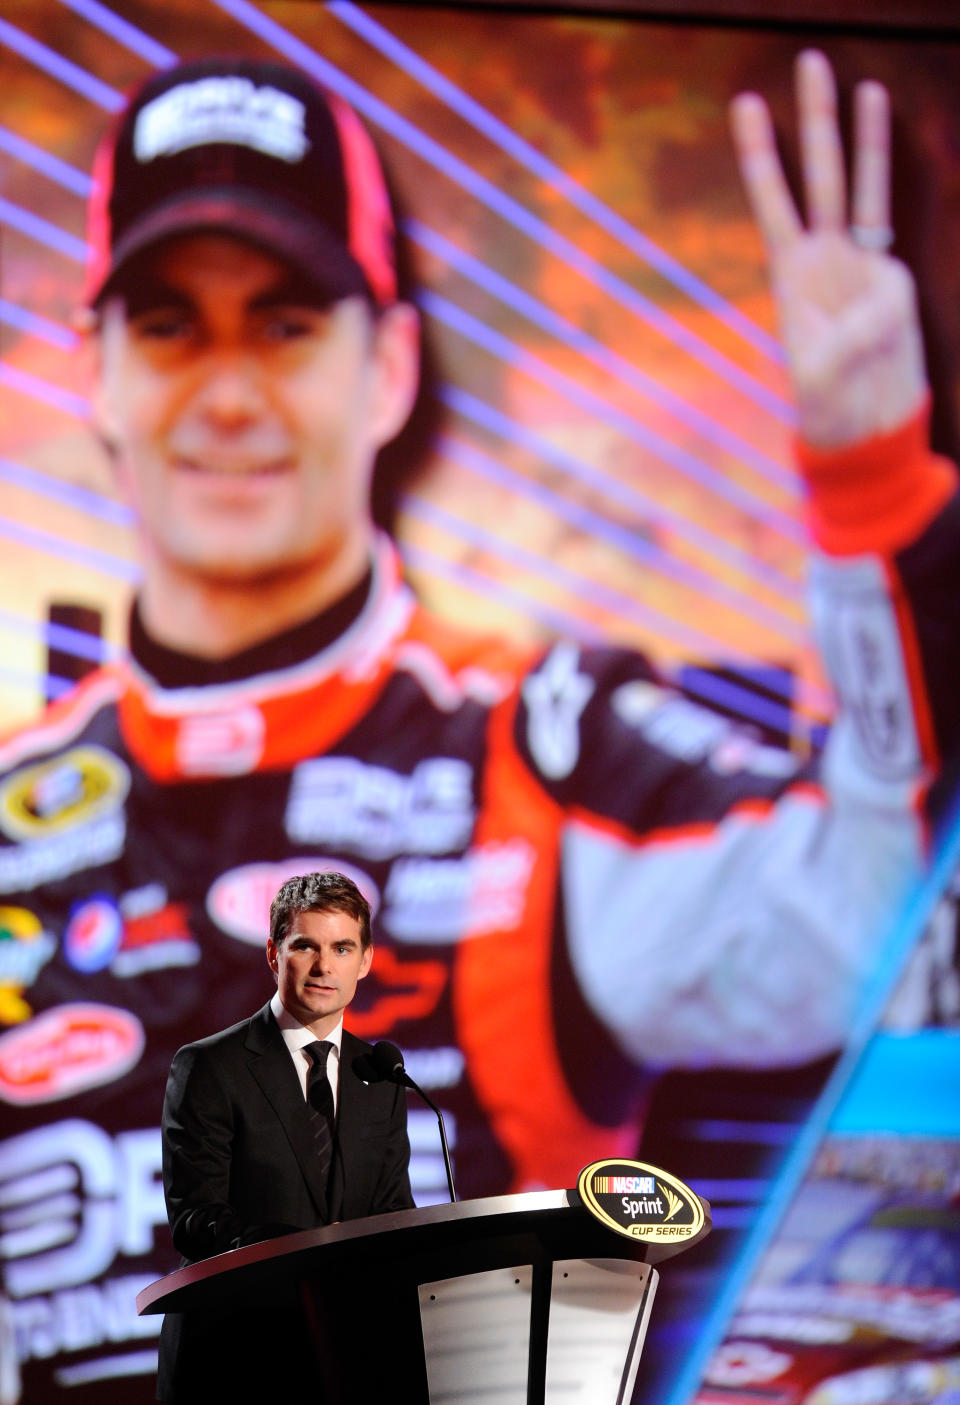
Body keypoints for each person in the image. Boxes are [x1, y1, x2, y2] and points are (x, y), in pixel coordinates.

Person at [1, 47, 959, 1403]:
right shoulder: (11, 810)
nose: (226, 393)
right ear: (93, 369)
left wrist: (873, 478)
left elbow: (884, 915)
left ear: (390, 365)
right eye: (167, 325)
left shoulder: (533, 750)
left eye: (284, 324)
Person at [156, 869, 413, 1402]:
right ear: (274, 954)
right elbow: (196, 1218)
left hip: (350, 1361)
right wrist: (303, 1256)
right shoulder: (209, 1066)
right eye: (306, 946)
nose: (324, 967)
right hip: (237, 1359)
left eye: (342, 948)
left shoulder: (380, 1074)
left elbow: (393, 1212)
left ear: (365, 961)